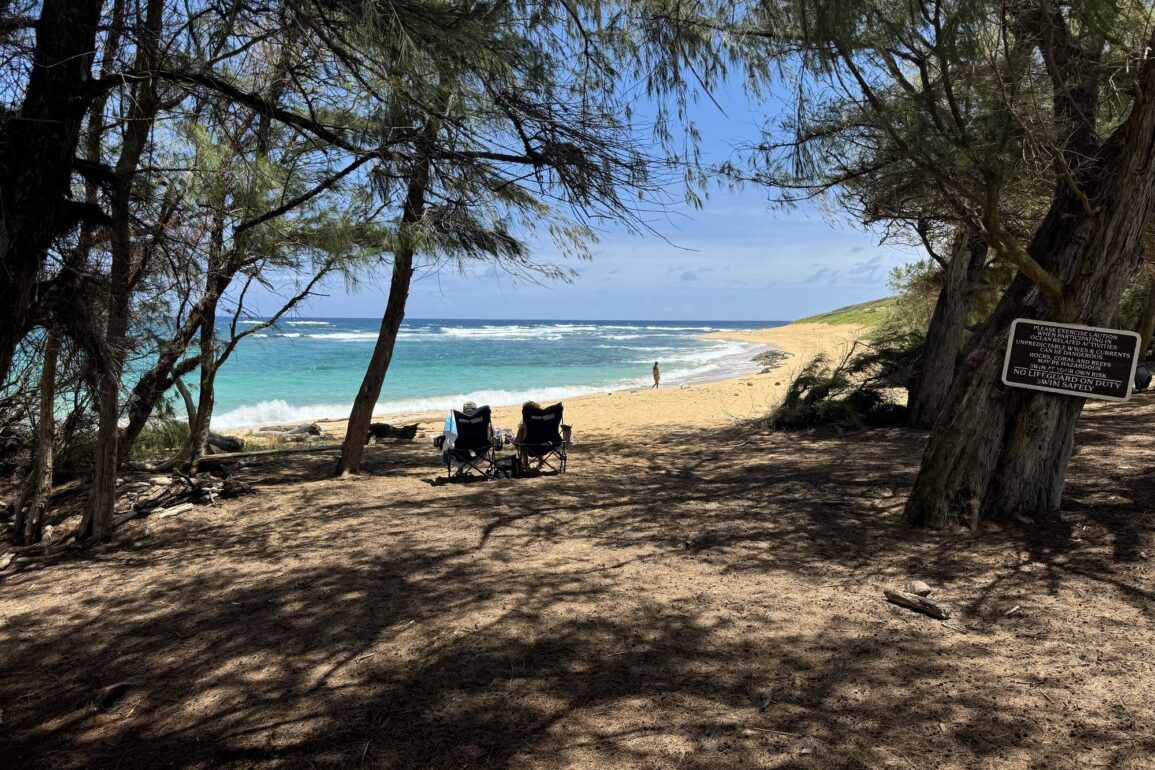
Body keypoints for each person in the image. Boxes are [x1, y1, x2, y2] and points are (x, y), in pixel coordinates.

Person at [515, 400, 540, 470]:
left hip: (529, 446)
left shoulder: (524, 424)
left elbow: (519, 439)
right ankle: (541, 462)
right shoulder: (543, 421)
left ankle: (526, 463)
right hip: (544, 445)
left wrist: (515, 441)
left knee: (522, 443)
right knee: (539, 439)